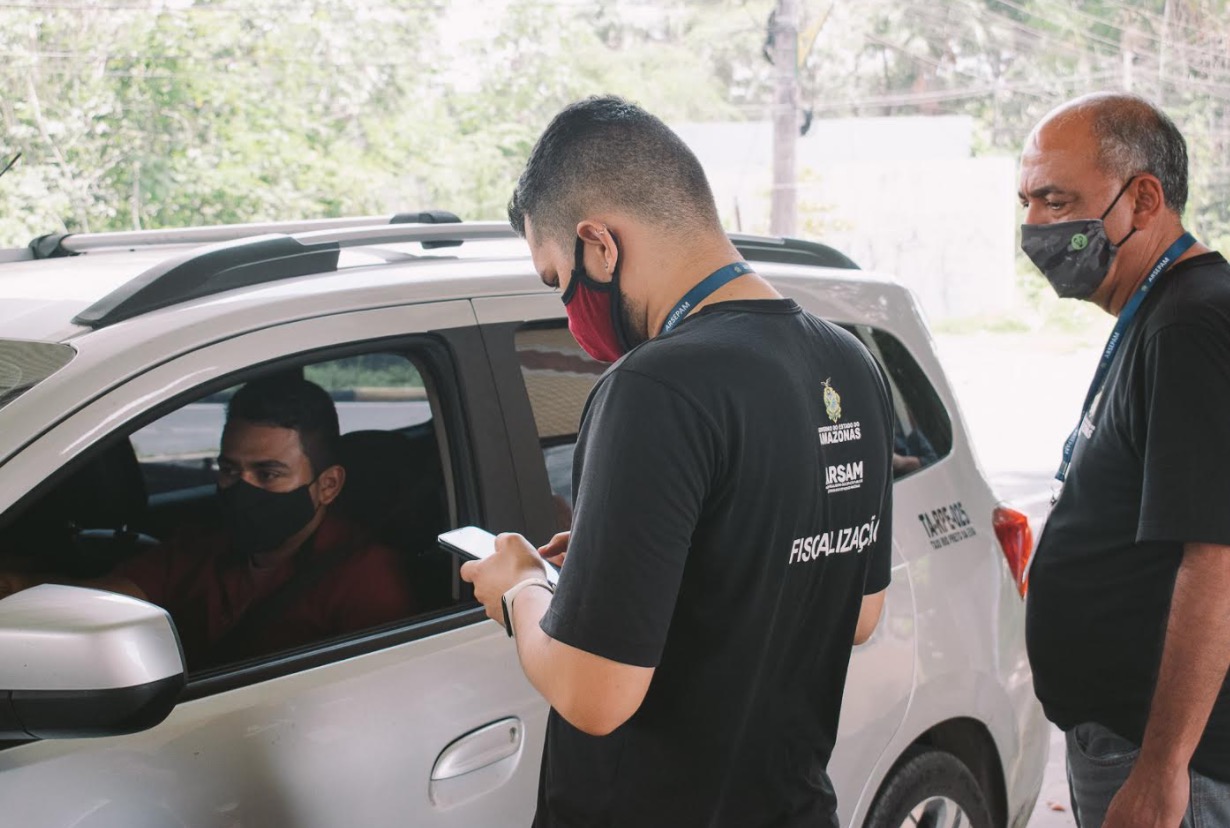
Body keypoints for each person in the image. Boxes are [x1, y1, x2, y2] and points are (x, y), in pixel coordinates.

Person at [460, 96, 895, 827]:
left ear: (598, 244)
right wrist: (627, 562)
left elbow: (596, 696)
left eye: (554, 276)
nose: (567, 305)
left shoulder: (653, 387)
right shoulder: (848, 361)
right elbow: (857, 609)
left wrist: (520, 588)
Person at [1020, 92, 1230, 828]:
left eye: (1056, 200)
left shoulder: (1193, 323)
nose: (1035, 226)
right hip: (1129, 743)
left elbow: (1217, 559)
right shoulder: (1158, 313)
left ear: (1143, 198)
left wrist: (1162, 770)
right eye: (1028, 203)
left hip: (1175, 765)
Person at [0, 376, 416, 670]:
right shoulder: (203, 546)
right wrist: (16, 588)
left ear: (327, 485)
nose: (242, 489)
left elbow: (374, 690)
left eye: (268, 474)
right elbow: (102, 601)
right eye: (230, 470)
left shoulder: (367, 578)